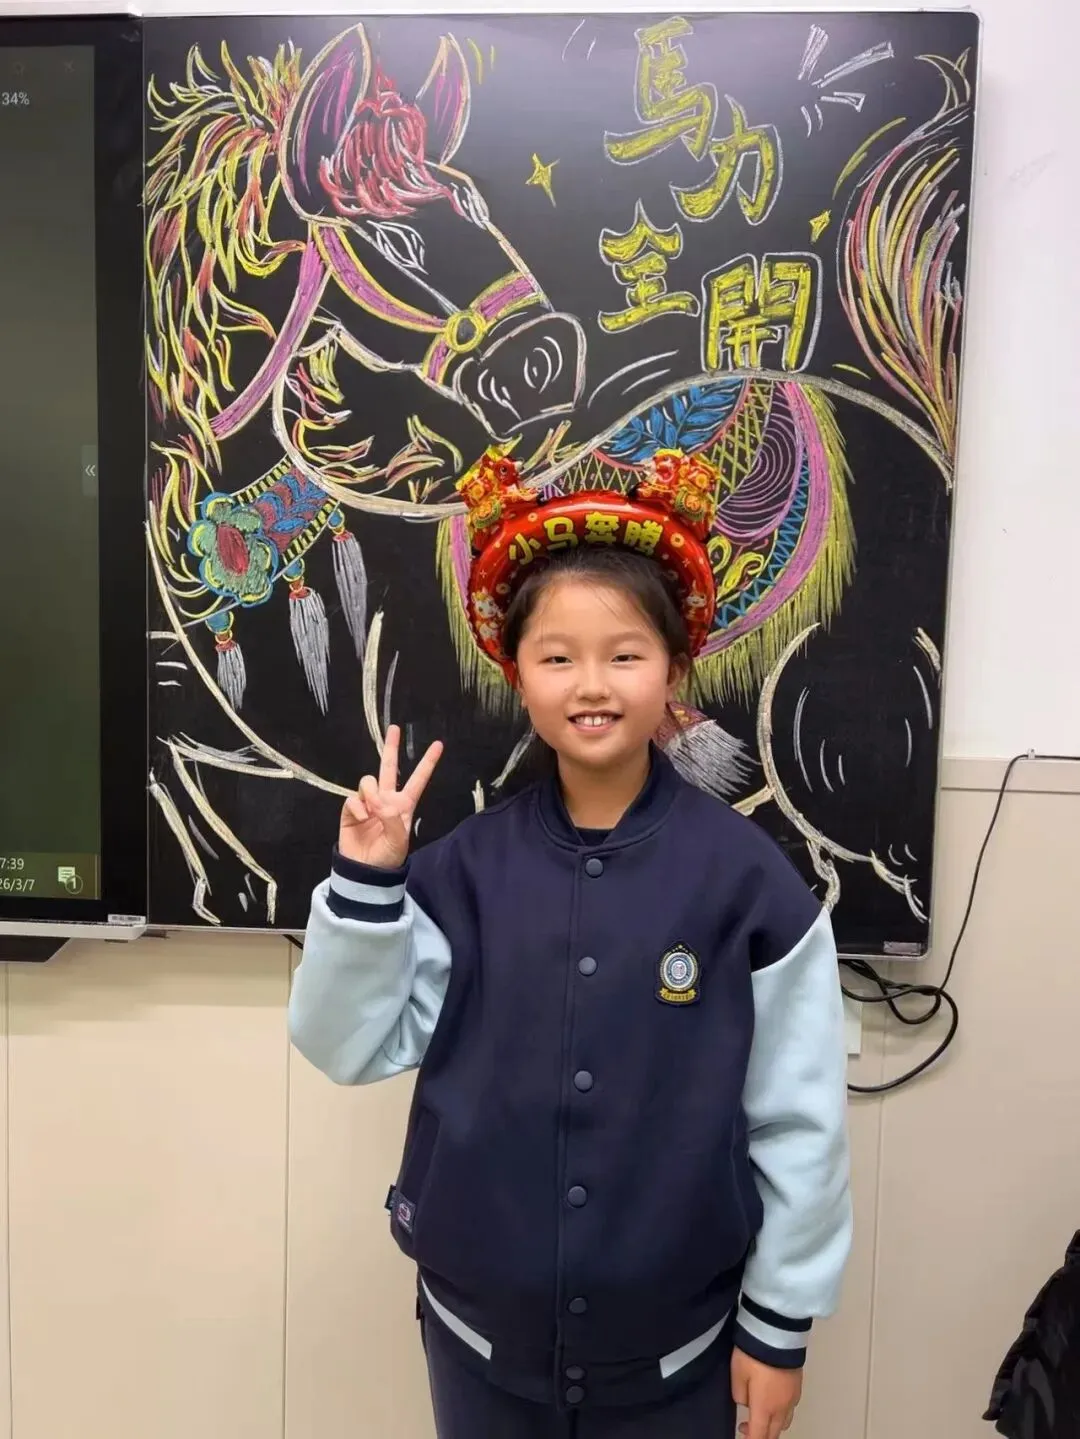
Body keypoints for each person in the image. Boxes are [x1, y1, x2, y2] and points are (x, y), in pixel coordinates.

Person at [289, 447, 852, 1439]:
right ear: (517, 673)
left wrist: (779, 1328)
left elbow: (798, 1121)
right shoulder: (462, 873)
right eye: (557, 657)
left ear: (676, 668)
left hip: (680, 1350)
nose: (591, 684)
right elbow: (347, 1044)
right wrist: (369, 880)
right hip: (477, 1341)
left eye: (625, 654)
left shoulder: (749, 885)